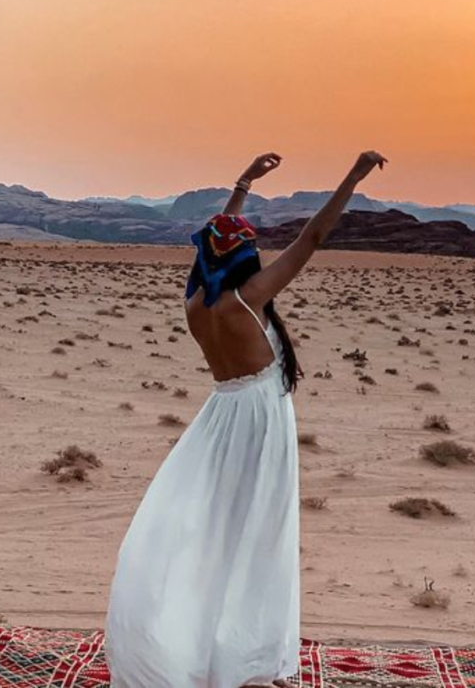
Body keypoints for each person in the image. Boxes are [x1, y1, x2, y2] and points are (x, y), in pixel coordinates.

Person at [105, 150, 388, 687]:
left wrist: (243, 185)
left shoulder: (195, 302)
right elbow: (311, 241)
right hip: (258, 424)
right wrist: (350, 177)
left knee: (216, 536)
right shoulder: (247, 301)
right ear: (243, 261)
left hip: (220, 419)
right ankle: (242, 662)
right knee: (255, 537)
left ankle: (215, 653)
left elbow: (208, 245)